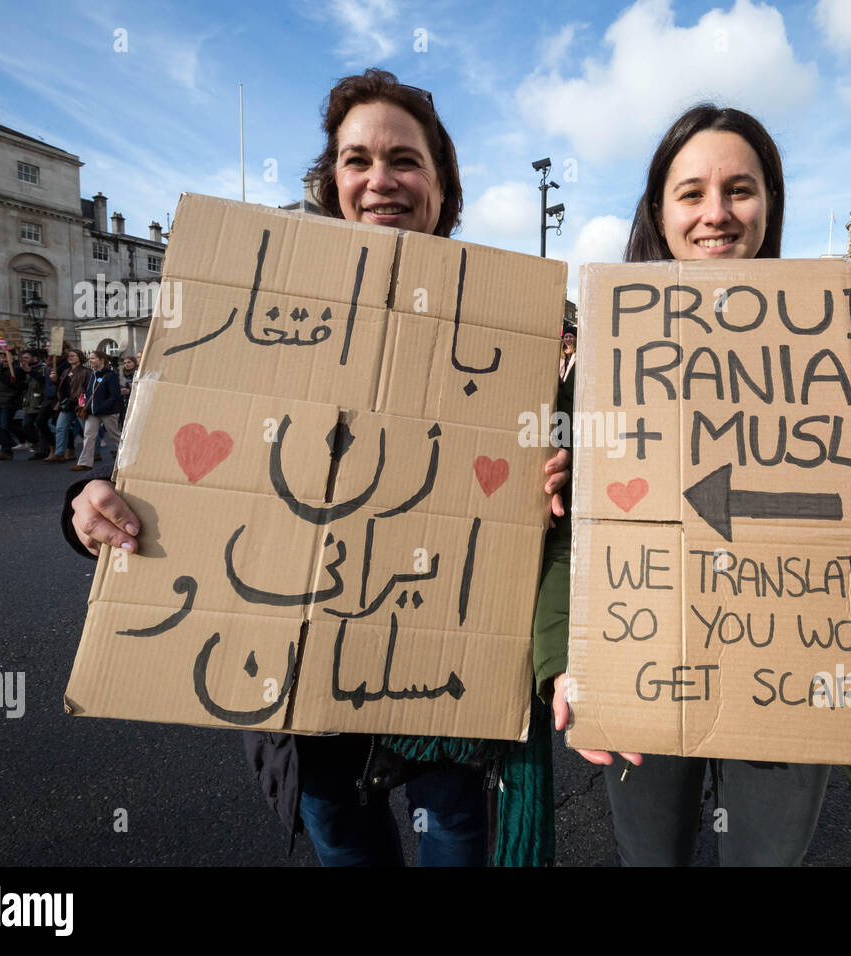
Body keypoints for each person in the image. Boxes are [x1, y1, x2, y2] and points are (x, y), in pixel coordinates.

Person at [61, 69, 569, 867]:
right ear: (332, 182)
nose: (381, 181)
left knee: (458, 831)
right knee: (341, 834)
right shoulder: (271, 307)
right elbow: (171, 446)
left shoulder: (510, 329)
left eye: (405, 160)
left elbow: (567, 480)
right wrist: (86, 504)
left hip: (447, 662)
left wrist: (559, 486)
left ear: (443, 184)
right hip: (300, 675)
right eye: (357, 159)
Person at [539, 104, 851, 867]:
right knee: (649, 856)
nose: (717, 214)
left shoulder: (849, 338)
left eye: (740, 189)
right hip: (642, 656)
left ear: (770, 205)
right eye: (691, 192)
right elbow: (569, 538)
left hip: (796, 665)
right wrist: (560, 661)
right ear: (659, 211)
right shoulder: (609, 354)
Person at [70, 350, 123, 471]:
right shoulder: (93, 375)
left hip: (108, 412)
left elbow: (115, 396)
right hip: (92, 412)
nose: (90, 360)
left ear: (102, 360)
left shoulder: (111, 375)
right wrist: (87, 405)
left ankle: (130, 457)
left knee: (115, 434)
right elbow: (89, 393)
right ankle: (85, 463)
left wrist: (102, 406)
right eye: (89, 358)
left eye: (93, 358)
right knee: (88, 435)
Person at [46, 349, 89, 463]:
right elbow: (62, 388)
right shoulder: (65, 371)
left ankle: (95, 452)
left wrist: (84, 403)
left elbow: (88, 388)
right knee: (60, 428)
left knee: (87, 430)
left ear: (80, 357)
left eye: (73, 356)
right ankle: (59, 453)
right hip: (67, 404)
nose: (70, 357)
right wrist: (55, 381)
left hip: (79, 404)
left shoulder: (86, 371)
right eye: (69, 356)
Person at [0, 351, 25, 461]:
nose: (2, 357)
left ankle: (26, 437)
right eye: (1, 355)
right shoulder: (0, 367)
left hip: (9, 400)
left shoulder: (17, 368)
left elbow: (14, 384)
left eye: (5, 355)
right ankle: (6, 450)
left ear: (12, 356)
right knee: (0, 426)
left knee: (5, 425)